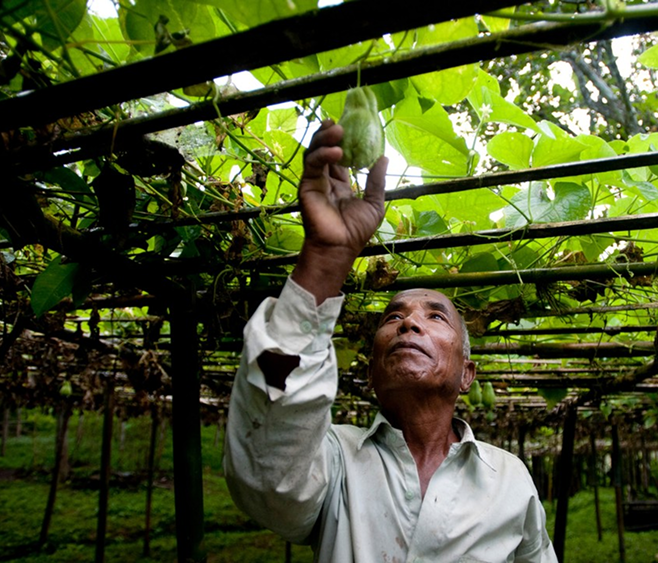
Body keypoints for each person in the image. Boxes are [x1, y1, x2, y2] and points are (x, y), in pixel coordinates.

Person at [224, 118, 557, 562]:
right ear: (371, 368)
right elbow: (266, 475)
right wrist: (324, 261)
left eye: (435, 316)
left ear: (467, 374)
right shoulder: (334, 459)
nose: (408, 324)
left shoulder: (509, 479)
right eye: (393, 316)